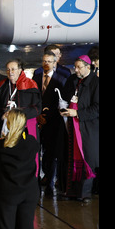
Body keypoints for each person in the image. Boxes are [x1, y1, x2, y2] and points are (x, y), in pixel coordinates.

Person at [62, 55, 99, 204]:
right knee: (72, 158)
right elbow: (66, 97)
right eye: (75, 67)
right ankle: (72, 191)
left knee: (87, 160)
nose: (75, 70)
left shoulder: (96, 83)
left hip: (88, 128)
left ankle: (85, 193)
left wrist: (77, 113)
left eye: (79, 67)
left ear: (88, 67)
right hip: (73, 127)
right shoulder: (73, 80)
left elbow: (97, 108)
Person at [34, 50, 68, 192]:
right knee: (36, 151)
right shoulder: (36, 77)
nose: (46, 64)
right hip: (37, 120)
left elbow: (60, 102)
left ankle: (49, 181)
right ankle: (36, 180)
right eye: (44, 61)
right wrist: (38, 116)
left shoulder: (60, 80)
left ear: (55, 63)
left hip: (52, 122)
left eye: (49, 61)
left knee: (51, 153)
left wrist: (47, 117)